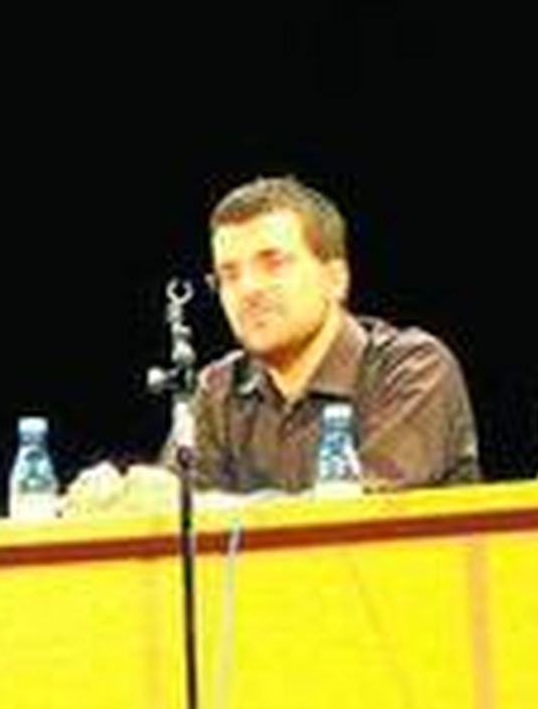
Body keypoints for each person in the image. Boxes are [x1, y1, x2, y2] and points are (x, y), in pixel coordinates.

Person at [70, 174, 480, 506]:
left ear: (335, 278)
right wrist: (118, 504)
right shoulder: (216, 391)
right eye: (229, 274)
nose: (248, 289)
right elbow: (181, 529)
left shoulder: (412, 368)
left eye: (273, 263)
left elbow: (358, 518)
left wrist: (194, 506)